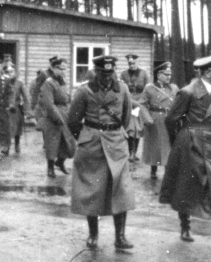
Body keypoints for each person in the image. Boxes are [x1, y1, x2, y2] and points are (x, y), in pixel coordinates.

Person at [159, 53, 211, 244]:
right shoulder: (188, 92)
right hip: (192, 142)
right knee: (187, 184)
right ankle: (185, 227)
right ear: (207, 73)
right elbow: (171, 119)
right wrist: (180, 142)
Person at [68, 55, 135, 250]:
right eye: (103, 73)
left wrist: (113, 131)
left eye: (110, 73)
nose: (107, 77)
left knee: (121, 188)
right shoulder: (84, 91)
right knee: (92, 190)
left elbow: (126, 116)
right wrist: (87, 136)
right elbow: (73, 120)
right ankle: (93, 235)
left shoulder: (122, 89)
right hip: (92, 144)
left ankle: (120, 237)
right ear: (96, 72)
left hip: (116, 142)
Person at [138, 62, 179, 180]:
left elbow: (180, 103)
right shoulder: (149, 88)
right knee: (154, 145)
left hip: (170, 120)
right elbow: (142, 104)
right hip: (155, 119)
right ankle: (153, 170)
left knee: (169, 146)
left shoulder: (174, 88)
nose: (169, 77)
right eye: (166, 74)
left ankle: (168, 170)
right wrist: (147, 119)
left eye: (170, 74)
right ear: (158, 75)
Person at [38, 55, 75, 178]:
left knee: (67, 143)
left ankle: (60, 162)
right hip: (53, 117)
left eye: (65, 69)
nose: (63, 71)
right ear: (53, 69)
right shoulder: (48, 83)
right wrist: (58, 118)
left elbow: (68, 99)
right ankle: (50, 167)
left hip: (65, 114)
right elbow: (49, 103)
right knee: (52, 143)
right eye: (60, 68)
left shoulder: (63, 82)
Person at [120, 54, 150, 162]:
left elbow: (147, 90)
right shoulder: (124, 74)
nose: (131, 65)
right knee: (130, 128)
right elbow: (122, 89)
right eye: (129, 63)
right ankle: (131, 152)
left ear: (137, 62)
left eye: (133, 63)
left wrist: (142, 102)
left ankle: (133, 152)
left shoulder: (144, 74)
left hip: (139, 103)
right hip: (128, 103)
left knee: (138, 128)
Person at [5, 65, 29, 154]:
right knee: (7, 127)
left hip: (16, 108)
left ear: (15, 73)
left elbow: (26, 96)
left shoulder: (19, 82)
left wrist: (27, 110)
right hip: (6, 108)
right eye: (7, 72)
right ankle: (6, 147)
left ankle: (17, 144)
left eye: (11, 72)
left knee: (17, 127)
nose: (9, 74)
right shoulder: (4, 81)